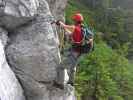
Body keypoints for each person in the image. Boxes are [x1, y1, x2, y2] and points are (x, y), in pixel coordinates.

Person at [56, 13, 94, 86]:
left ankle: (60, 84)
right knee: (73, 66)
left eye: (74, 20)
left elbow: (64, 26)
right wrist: (64, 28)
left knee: (61, 67)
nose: (73, 21)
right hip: (82, 53)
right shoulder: (83, 29)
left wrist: (59, 23)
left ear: (75, 21)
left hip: (75, 52)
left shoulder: (74, 27)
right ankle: (71, 82)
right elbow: (71, 33)